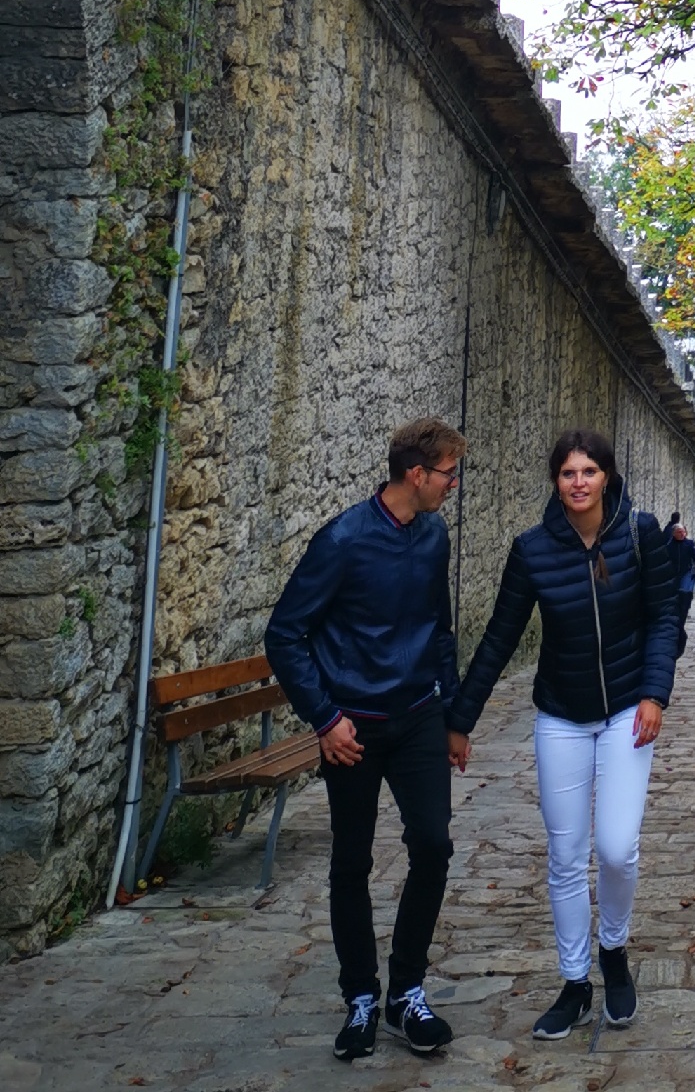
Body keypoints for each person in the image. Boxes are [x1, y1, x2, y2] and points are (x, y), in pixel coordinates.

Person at [447, 427, 678, 1042]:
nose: (579, 482)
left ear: (608, 477)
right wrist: (460, 721)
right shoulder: (533, 550)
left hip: (629, 709)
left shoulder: (640, 533)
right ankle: (575, 982)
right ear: (557, 481)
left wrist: (655, 694)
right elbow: (498, 637)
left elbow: (664, 618)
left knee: (617, 847)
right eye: (568, 473)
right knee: (566, 855)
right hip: (561, 718)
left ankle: (614, 952)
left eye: (589, 471)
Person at [264, 416, 466, 1062]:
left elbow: (440, 628)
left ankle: (405, 991)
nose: (452, 485)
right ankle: (359, 995)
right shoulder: (344, 541)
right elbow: (285, 634)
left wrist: (453, 715)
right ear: (416, 474)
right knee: (351, 861)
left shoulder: (434, 538)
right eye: (447, 474)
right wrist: (324, 718)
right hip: (351, 730)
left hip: (416, 719)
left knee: (432, 844)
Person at [669, 520, 695, 641]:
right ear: (674, 534)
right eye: (679, 532)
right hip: (674, 575)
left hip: (687, 573)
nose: (682, 534)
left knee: (685, 594)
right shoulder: (669, 545)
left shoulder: (689, 543)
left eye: (683, 531)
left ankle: (683, 615)